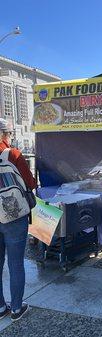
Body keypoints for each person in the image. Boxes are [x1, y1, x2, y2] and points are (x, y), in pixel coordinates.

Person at [0, 118, 36, 322]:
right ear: (4, 134)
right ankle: (15, 308)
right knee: (15, 263)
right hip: (13, 216)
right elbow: (30, 182)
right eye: (10, 134)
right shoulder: (12, 154)